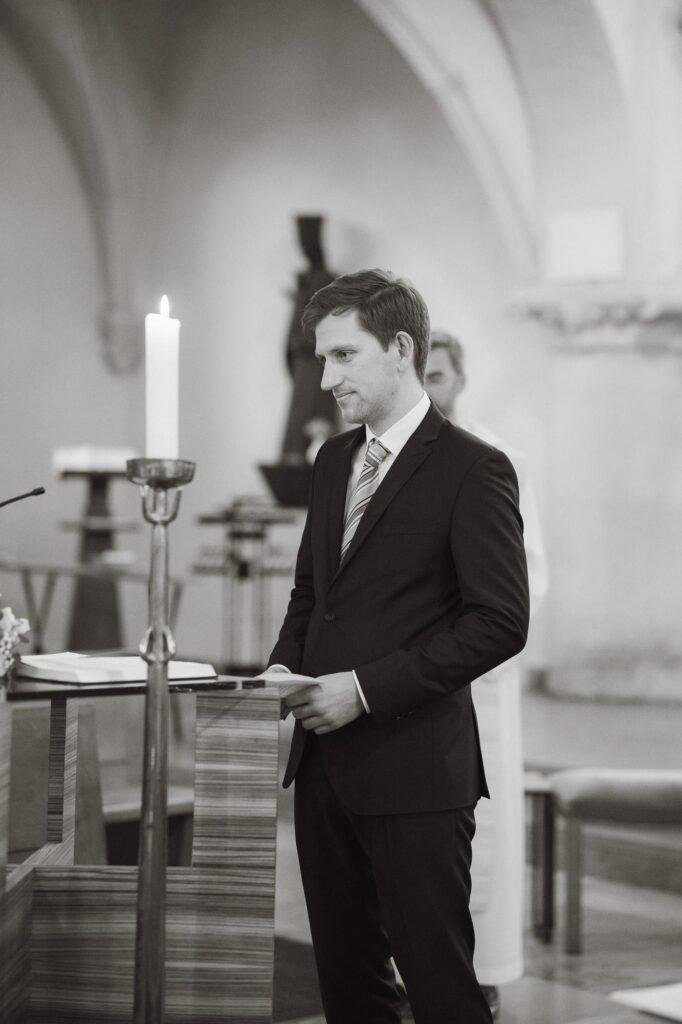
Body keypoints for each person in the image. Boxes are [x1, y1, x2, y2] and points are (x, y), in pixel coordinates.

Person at [268, 270, 529, 1024]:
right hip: (323, 771)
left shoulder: (473, 467)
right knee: (351, 993)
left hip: (416, 774)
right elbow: (312, 594)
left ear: (401, 348)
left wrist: (364, 690)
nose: (327, 379)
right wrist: (284, 666)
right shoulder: (332, 462)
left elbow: (500, 621)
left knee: (442, 993)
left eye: (344, 356)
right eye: (323, 359)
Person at [425, 331, 549, 1019]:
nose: (430, 388)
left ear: (461, 379)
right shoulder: (382, 458)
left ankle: (482, 973)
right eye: (421, 375)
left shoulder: (495, 458)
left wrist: (463, 638)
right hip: (406, 677)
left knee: (484, 830)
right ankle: (409, 971)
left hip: (477, 675)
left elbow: (530, 572)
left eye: (439, 375)